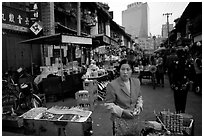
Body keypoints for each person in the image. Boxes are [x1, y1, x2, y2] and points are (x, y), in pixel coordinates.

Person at [104, 59, 143, 136]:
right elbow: (108, 104)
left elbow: (139, 97)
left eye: (128, 69)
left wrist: (139, 107)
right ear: (119, 70)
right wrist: (123, 111)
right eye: (123, 69)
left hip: (135, 119)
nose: (125, 72)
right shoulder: (112, 85)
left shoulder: (136, 82)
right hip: (120, 121)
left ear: (132, 70)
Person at [171, 48, 190, 113]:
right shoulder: (186, 62)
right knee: (183, 99)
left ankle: (178, 111)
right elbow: (189, 73)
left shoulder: (175, 62)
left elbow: (172, 73)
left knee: (177, 99)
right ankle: (182, 111)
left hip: (176, 84)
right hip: (184, 83)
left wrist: (172, 83)